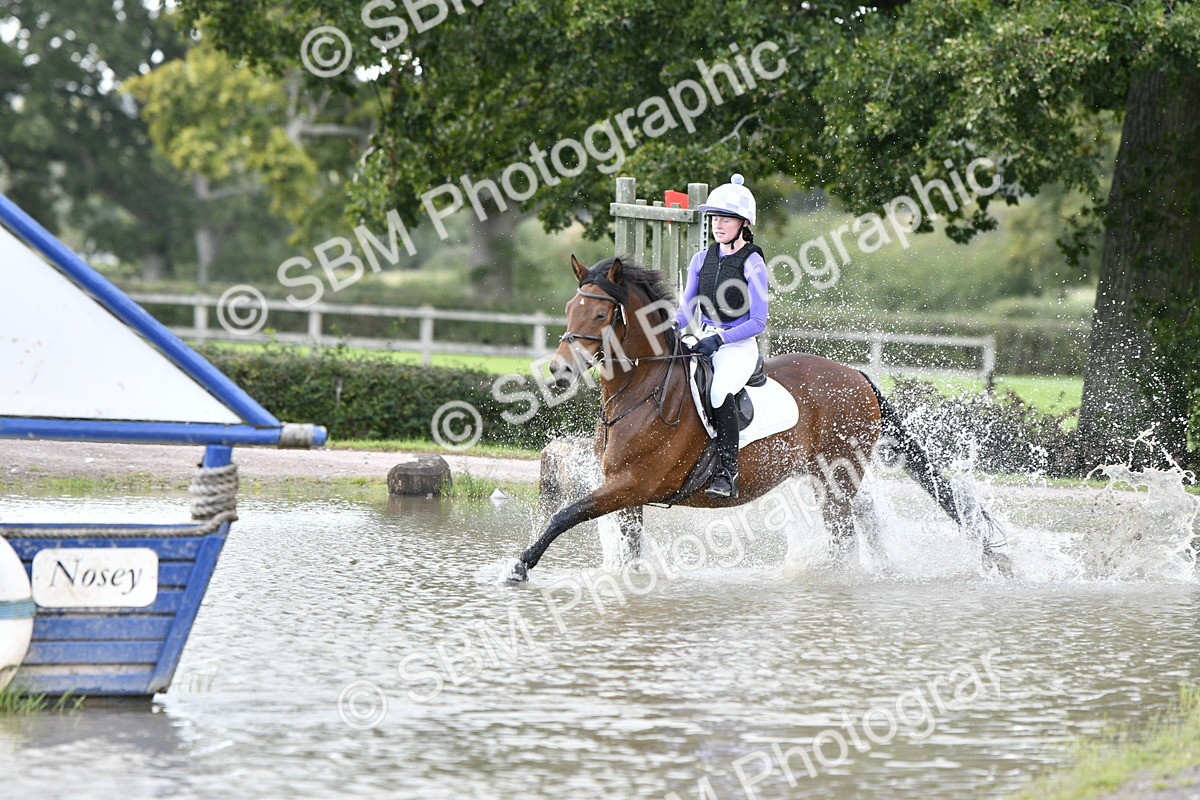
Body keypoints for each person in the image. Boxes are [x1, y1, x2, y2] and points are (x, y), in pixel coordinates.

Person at [674, 173, 768, 500]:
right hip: (703, 338)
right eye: (715, 217)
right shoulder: (701, 259)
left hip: (737, 346)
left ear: (743, 222)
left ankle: (728, 472)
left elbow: (758, 321)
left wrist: (721, 340)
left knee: (718, 391)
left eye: (726, 218)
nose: (718, 224)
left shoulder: (753, 262)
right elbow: (687, 308)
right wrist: (670, 326)